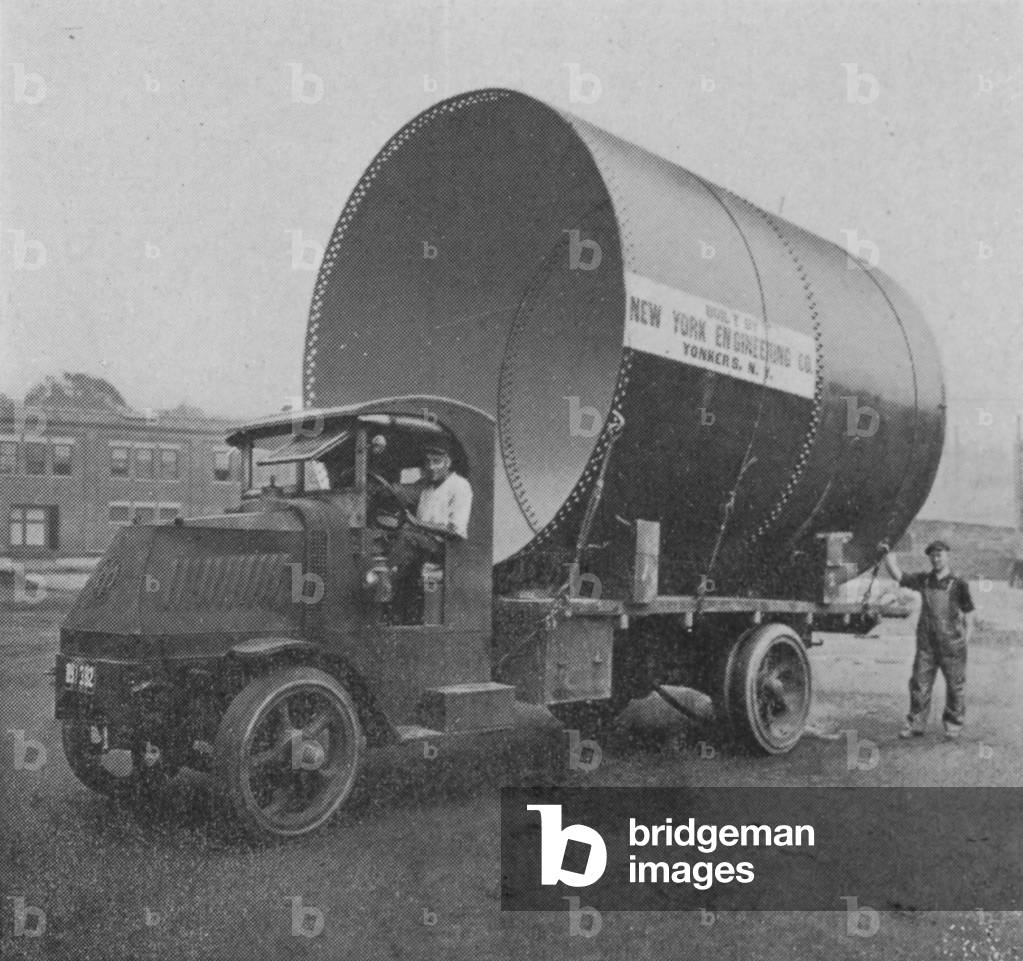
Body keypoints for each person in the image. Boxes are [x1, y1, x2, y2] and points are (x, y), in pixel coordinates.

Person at [878, 539, 975, 740]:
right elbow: (900, 577)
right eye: (932, 555)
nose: (935, 559)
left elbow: (969, 612)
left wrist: (967, 637)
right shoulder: (924, 580)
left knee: (955, 686)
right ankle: (915, 723)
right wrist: (887, 558)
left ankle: (953, 724)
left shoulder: (958, 583)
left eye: (939, 555)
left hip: (952, 644)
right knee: (919, 684)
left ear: (947, 556)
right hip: (927, 644)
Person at [388, 437, 472, 621]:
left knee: (408, 538)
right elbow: (402, 492)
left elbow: (455, 530)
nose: (431, 466)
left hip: (444, 549)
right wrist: (386, 489)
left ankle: (385, 585)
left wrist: (419, 524)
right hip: (422, 543)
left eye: (437, 461)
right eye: (428, 462)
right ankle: (396, 606)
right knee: (393, 537)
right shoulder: (426, 485)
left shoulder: (459, 487)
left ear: (448, 462)